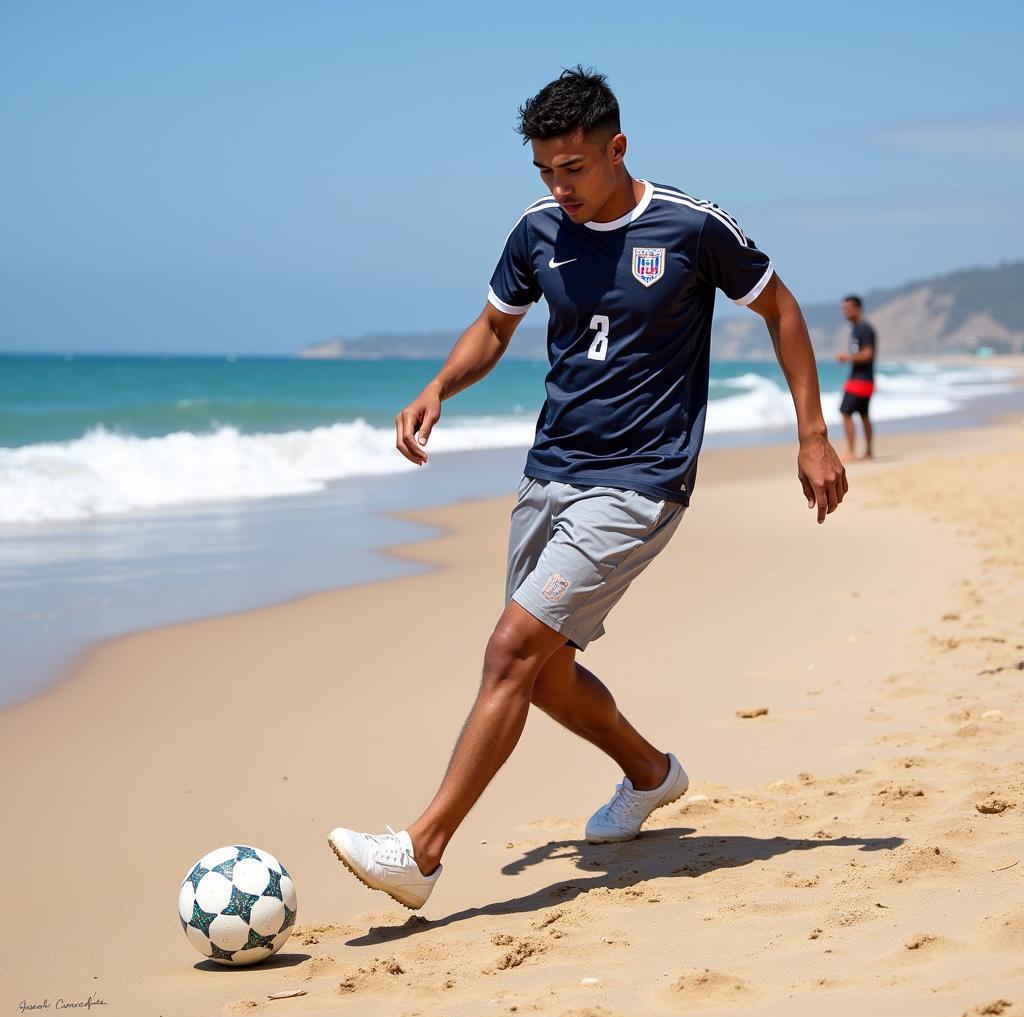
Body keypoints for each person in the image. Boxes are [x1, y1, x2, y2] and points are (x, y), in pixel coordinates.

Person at [327, 67, 848, 911]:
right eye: (545, 171)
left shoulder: (690, 226)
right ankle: (649, 774)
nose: (558, 187)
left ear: (617, 149)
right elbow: (496, 323)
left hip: (640, 482)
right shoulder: (537, 231)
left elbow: (781, 309)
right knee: (543, 672)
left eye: (573, 168)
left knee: (508, 651)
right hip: (549, 473)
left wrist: (813, 434)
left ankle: (418, 852)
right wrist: (437, 388)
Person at [837, 294, 877, 460]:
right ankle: (868, 451)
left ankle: (851, 451)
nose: (844, 312)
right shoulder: (856, 329)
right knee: (864, 415)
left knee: (846, 412)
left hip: (860, 379)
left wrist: (848, 358)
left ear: (857, 309)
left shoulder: (864, 329)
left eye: (847, 308)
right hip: (864, 379)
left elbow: (868, 354)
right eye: (843, 309)